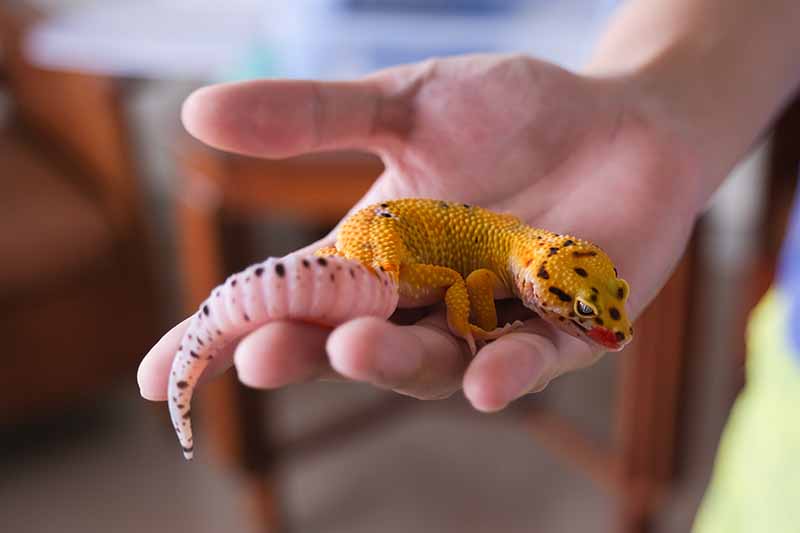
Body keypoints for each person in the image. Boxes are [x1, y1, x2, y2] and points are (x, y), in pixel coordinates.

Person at [138, 0, 800, 529]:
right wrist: (479, 326)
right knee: (449, 289)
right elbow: (464, 287)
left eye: (603, 306)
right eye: (594, 311)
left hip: (384, 239)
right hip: (383, 255)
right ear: (544, 283)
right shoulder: (502, 267)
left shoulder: (532, 243)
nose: (611, 329)